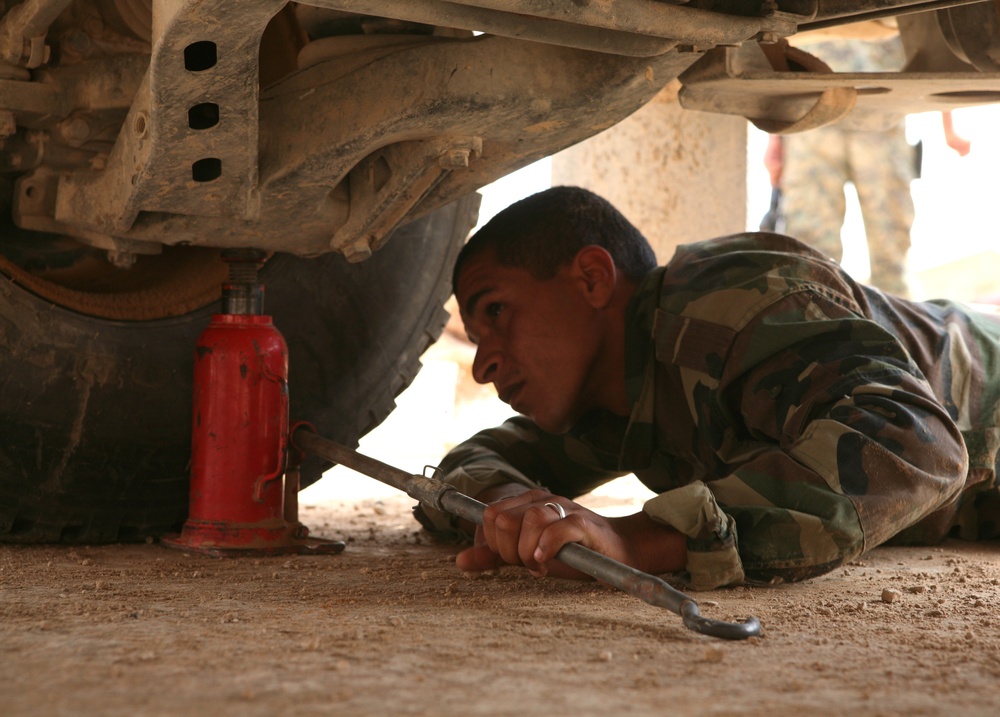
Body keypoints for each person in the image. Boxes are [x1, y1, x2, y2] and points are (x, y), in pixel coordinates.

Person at [414, 186, 1000, 591]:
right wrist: (514, 516)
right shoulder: (617, 398)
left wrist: (641, 539)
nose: (483, 366)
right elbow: (476, 459)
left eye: (496, 311)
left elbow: (919, 445)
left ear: (591, 279)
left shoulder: (730, 305)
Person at [771, 33, 971, 297]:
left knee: (891, 247)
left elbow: (934, 30)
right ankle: (812, 325)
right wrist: (776, 137)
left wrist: (949, 125)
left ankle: (896, 327)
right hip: (813, 114)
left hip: (882, 114)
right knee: (810, 248)